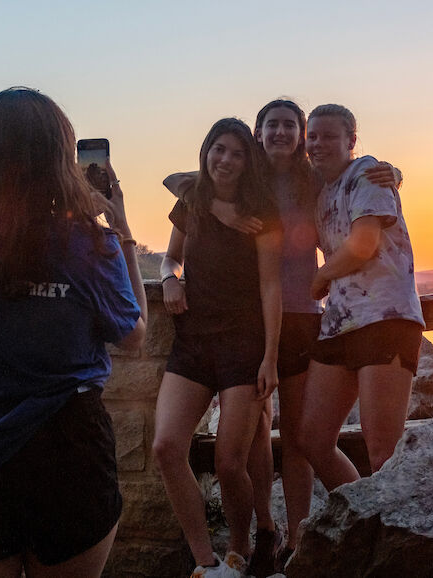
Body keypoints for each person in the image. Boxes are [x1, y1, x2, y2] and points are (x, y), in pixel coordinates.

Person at [164, 99, 401, 576]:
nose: (281, 133)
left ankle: (296, 537)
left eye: (291, 126)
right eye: (272, 125)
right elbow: (179, 183)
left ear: (301, 135)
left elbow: (350, 185)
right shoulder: (245, 178)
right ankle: (264, 531)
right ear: (258, 132)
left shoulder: (311, 180)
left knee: (295, 436)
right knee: (254, 435)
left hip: (301, 318)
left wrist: (390, 172)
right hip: (250, 322)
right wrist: (213, 214)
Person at [0, 87, 147, 577]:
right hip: (70, 453)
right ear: (59, 161)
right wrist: (121, 232)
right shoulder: (91, 245)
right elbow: (134, 335)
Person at [151, 118, 283, 578]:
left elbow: (271, 287)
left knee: (230, 464)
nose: (225, 160)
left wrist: (270, 356)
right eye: (218, 149)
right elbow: (172, 256)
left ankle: (242, 549)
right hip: (193, 343)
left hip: (243, 347)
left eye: (237, 153)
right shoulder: (192, 203)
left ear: (249, 162)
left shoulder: (262, 214)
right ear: (205, 152)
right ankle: (204, 561)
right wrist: (169, 277)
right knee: (167, 446)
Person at [297, 103, 425, 492]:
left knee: (383, 450)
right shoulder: (320, 190)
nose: (318, 144)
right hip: (339, 324)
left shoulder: (367, 173)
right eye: (312, 137)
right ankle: (357, 517)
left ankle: (392, 543)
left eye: (329, 136)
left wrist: (320, 276)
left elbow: (363, 244)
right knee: (312, 440)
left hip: (385, 319)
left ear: (351, 140)